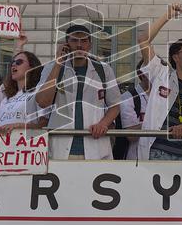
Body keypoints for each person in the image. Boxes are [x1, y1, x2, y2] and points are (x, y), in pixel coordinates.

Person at [35, 24, 121, 160]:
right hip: (60, 148)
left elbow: (115, 105)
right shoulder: (52, 68)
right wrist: (58, 63)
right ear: (66, 44)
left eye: (84, 41)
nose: (79, 45)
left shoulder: (104, 70)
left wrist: (103, 124)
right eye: (74, 40)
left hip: (95, 146)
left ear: (90, 45)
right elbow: (42, 102)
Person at [136, 4, 182, 161]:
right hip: (156, 151)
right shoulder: (161, 73)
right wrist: (168, 15)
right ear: (175, 57)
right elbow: (143, 40)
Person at [113, 62, 149, 160]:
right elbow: (131, 135)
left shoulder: (164, 97)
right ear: (142, 75)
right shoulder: (128, 98)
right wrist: (156, 122)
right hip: (135, 159)